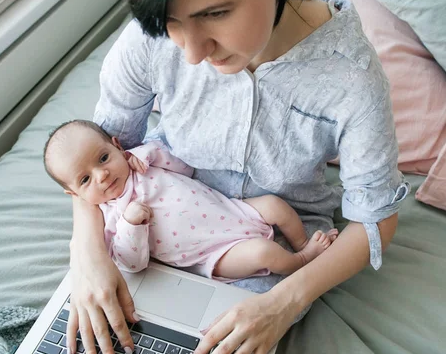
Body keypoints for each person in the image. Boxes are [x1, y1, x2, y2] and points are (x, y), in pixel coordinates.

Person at [66, 0, 410, 354]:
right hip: (147, 227)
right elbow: (102, 147)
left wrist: (283, 303)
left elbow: (376, 218)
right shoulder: (146, 42)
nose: (191, 53)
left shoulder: (351, 77)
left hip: (269, 250)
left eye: (215, 14)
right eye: (171, 22)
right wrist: (86, 253)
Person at [44, 120, 337, 284]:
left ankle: (301, 242)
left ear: (117, 146)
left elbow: (186, 168)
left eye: (104, 158)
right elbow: (133, 263)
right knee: (263, 253)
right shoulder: (112, 219)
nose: (102, 174)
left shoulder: (142, 165)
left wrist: (151, 154)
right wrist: (131, 224)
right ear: (75, 195)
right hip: (214, 253)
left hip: (234, 211)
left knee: (274, 205)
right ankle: (300, 260)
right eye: (85, 180)